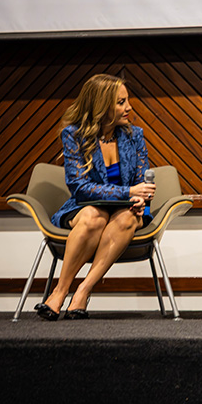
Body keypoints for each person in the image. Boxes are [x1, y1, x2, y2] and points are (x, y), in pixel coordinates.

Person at [36, 74, 156, 321]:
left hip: (126, 211)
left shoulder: (135, 135)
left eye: (127, 100)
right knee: (94, 216)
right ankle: (60, 291)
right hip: (84, 207)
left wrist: (141, 195)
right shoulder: (74, 135)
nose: (128, 107)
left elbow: (141, 181)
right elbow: (80, 188)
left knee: (127, 218)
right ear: (101, 106)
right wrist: (128, 192)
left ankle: (83, 290)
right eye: (121, 102)